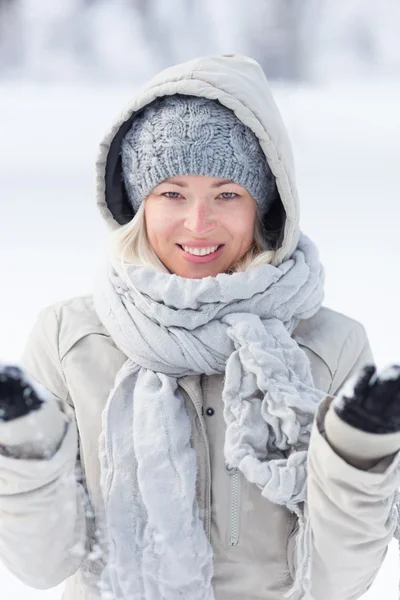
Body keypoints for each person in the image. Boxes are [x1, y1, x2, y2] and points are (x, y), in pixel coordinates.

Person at [0, 54, 400, 600]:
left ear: (265, 208)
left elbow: (337, 582)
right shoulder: (72, 338)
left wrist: (357, 455)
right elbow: (40, 565)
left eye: (227, 194)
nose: (198, 224)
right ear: (140, 205)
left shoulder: (328, 345)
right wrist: (24, 446)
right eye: (172, 193)